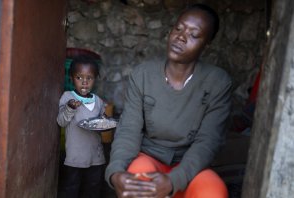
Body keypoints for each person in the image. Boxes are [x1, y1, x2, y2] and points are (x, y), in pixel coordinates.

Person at [105, 4, 231, 198]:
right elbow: (128, 130)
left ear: (208, 42)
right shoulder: (143, 75)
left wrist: (174, 181)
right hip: (149, 157)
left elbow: (208, 141)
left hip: (190, 166)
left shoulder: (217, 82)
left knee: (213, 192)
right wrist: (115, 172)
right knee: (137, 183)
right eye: (178, 28)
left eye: (194, 34)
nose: (181, 37)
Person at [57, 55, 106, 198]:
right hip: (75, 157)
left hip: (96, 157)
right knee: (71, 189)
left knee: (93, 189)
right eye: (79, 78)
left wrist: (105, 122)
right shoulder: (67, 97)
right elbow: (61, 122)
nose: (84, 82)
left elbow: (102, 123)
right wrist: (70, 108)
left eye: (89, 78)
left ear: (95, 79)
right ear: (72, 78)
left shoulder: (98, 101)